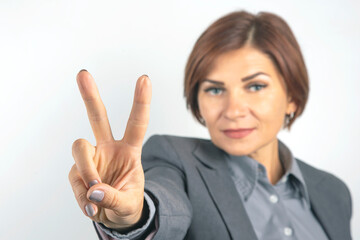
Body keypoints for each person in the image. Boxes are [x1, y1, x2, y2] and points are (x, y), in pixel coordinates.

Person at [68, 10, 353, 240]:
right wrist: (134, 216)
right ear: (197, 99)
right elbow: (165, 206)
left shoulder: (333, 192)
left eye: (255, 86)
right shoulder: (173, 158)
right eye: (215, 90)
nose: (233, 110)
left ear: (292, 97)